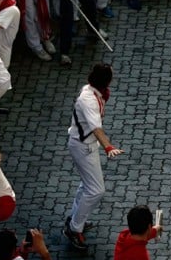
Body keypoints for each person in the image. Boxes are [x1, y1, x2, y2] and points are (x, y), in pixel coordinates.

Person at [63, 63, 124, 251]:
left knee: (87, 185)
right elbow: (96, 128)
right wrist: (108, 147)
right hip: (83, 147)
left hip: (85, 144)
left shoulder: (91, 92)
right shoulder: (89, 100)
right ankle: (74, 228)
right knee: (96, 190)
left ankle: (75, 218)